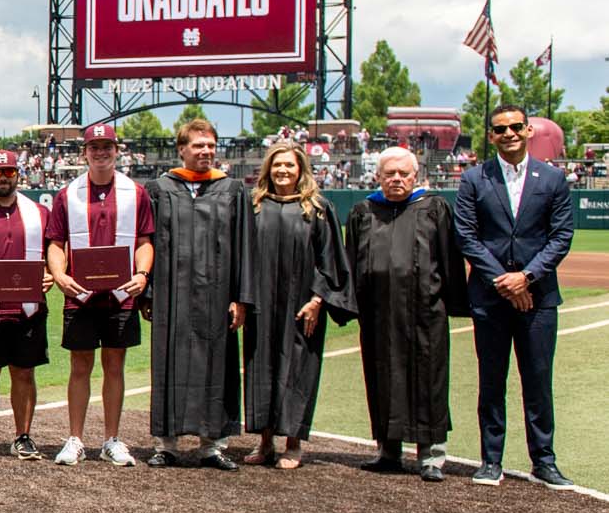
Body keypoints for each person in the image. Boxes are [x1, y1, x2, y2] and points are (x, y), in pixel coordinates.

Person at [452, 104, 577, 489]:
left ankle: (544, 460)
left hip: (538, 298)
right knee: (492, 380)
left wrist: (526, 277)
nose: (508, 133)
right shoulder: (475, 178)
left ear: (528, 132)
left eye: (516, 127)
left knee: (537, 380)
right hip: (490, 297)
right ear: (491, 135)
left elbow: (561, 236)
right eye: (500, 128)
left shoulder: (553, 178)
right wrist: (503, 281)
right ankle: (491, 460)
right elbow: (467, 236)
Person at [343, 148, 468, 482]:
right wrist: (350, 306)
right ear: (378, 177)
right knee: (382, 377)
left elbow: (450, 260)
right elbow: (351, 263)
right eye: (389, 174)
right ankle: (388, 450)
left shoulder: (433, 209)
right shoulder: (363, 211)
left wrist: (452, 303)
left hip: (425, 314)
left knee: (429, 379)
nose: (396, 179)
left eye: (403, 174)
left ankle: (431, 456)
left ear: (415, 177)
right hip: (378, 316)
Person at [140, 118, 250, 471]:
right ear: (182, 150)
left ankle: (213, 445)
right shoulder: (160, 189)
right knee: (168, 362)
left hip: (217, 298)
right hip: (171, 297)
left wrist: (240, 298)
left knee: (217, 365)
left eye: (210, 145)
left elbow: (245, 247)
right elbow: (147, 244)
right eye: (198, 146)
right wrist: (148, 293)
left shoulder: (232, 190)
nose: (206, 151)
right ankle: (166, 444)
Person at [46, 122, 154, 467]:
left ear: (116, 150)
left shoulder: (135, 193)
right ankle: (76, 438)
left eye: (107, 147)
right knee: (80, 365)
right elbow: (56, 243)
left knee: (115, 365)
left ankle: (111, 438)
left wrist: (142, 274)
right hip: (81, 294)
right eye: (95, 148)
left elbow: (144, 242)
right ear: (85, 153)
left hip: (121, 295)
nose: (101, 152)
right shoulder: (68, 194)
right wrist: (59, 274)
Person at [242, 143, 355, 470]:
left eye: (289, 166)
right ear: (268, 169)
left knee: (298, 368)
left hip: (302, 304)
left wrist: (319, 300)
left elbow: (331, 260)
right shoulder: (255, 206)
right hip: (261, 302)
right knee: (260, 364)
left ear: (301, 169)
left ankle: (293, 443)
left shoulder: (317, 209)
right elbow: (243, 256)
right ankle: (264, 441)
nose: (283, 172)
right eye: (277, 166)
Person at [0, 148, 54, 460]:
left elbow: (56, 249)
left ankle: (23, 435)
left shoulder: (38, 212)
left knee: (24, 372)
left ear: (19, 174)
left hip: (28, 306)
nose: (2, 178)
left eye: (9, 172)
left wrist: (51, 274)